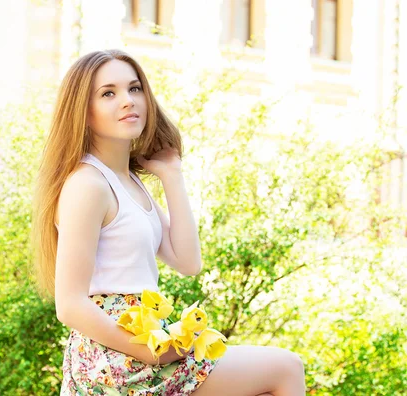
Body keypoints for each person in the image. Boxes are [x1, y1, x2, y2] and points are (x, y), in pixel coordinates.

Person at [32, 49, 306, 395]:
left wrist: (172, 175)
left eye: (134, 89)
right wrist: (152, 352)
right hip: (114, 358)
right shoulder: (88, 184)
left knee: (283, 370)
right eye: (108, 93)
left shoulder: (128, 182)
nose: (128, 101)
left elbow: (188, 262)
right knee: (285, 369)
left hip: (148, 344)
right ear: (84, 113)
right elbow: (70, 304)